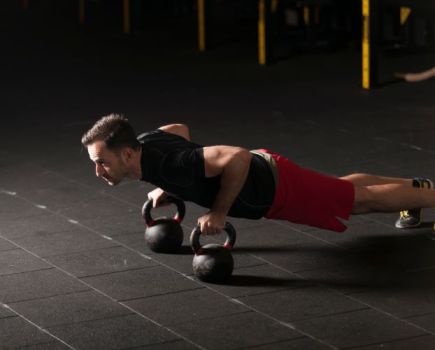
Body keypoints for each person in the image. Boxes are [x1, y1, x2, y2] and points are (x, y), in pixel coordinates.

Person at [81, 113, 433, 235]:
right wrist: (164, 187)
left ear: (127, 152)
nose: (98, 171)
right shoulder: (145, 146)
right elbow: (179, 129)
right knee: (341, 189)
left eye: (103, 161)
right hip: (273, 172)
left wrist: (218, 211)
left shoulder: (173, 166)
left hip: (275, 186)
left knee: (360, 203)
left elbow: (235, 157)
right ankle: (420, 189)